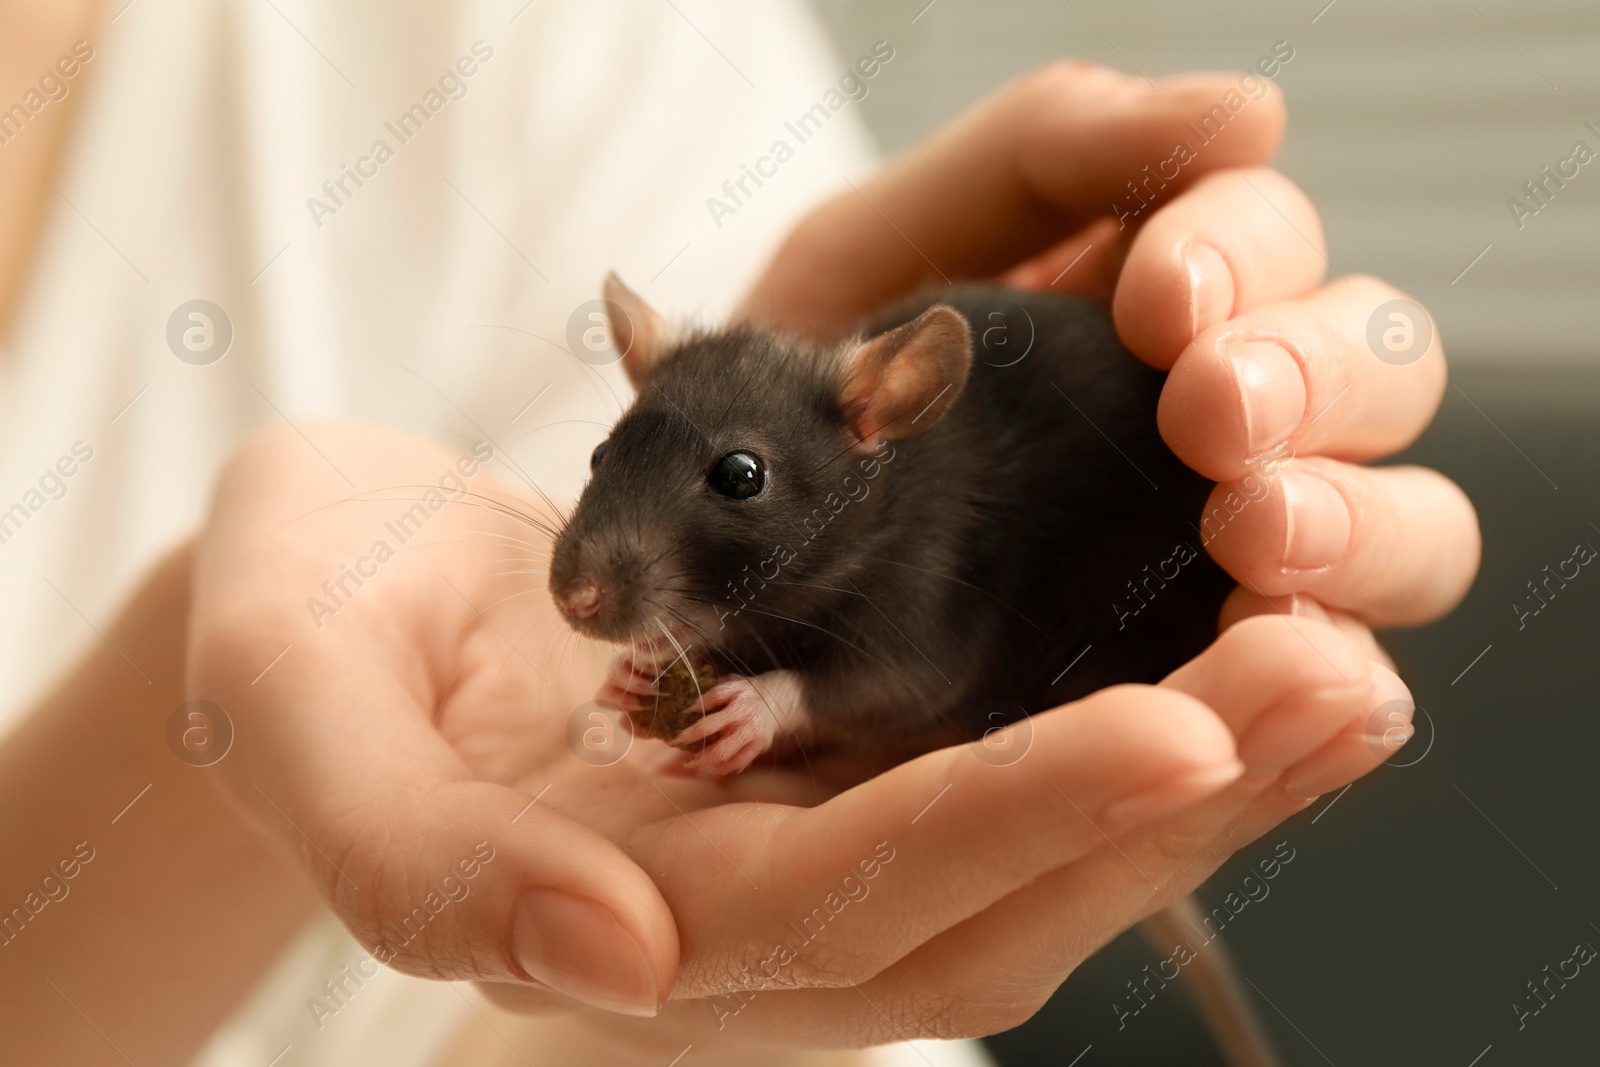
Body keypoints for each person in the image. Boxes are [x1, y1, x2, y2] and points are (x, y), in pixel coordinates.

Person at [0, 3, 1478, 1064]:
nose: (589, 572)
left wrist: (773, 717)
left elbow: (912, 656)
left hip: (1065, 638)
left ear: (879, 419)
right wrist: (196, 708)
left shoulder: (546, 46)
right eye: (604, 469)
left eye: (731, 491)